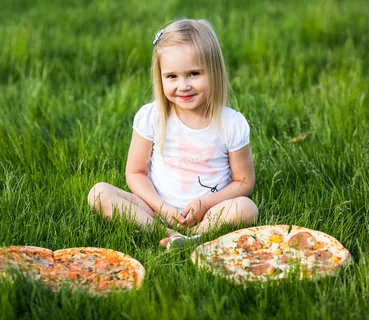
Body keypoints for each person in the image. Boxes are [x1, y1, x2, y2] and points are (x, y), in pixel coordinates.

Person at [88, 19, 258, 249]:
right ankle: (163, 231)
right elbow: (136, 172)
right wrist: (162, 208)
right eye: (172, 76)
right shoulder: (152, 117)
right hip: (156, 208)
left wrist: (205, 203)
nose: (183, 85)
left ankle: (195, 234)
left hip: (208, 212)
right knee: (98, 193)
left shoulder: (231, 123)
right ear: (160, 77)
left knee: (247, 208)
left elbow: (244, 181)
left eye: (194, 73)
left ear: (214, 71)